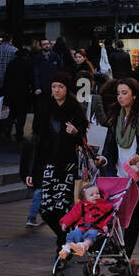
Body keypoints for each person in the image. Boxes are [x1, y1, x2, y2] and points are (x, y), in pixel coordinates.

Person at [101, 78, 139, 265]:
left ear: (135, 95)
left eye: (124, 93)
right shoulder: (116, 117)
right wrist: (104, 159)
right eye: (118, 93)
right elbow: (110, 146)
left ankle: (124, 259)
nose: (120, 97)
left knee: (133, 215)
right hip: (122, 174)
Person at [25, 73, 88, 248]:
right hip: (48, 163)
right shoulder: (44, 106)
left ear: (67, 89)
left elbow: (83, 138)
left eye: (60, 87)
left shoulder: (74, 107)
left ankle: (63, 244)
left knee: (62, 207)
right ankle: (64, 236)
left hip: (68, 165)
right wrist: (31, 170)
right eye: (54, 87)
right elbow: (36, 140)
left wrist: (76, 132)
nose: (57, 90)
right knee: (46, 210)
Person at [57, 182, 115, 259]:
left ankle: (83, 246)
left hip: (96, 228)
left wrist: (105, 225)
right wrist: (65, 222)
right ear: (84, 198)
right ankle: (67, 247)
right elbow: (72, 214)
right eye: (91, 195)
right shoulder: (81, 205)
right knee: (73, 233)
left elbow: (108, 216)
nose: (95, 196)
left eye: (97, 193)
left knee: (91, 234)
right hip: (81, 227)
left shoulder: (104, 205)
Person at [3, 45, 35, 144]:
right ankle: (19, 134)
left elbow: (6, 78)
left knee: (12, 113)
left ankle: (7, 130)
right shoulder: (28, 64)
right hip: (23, 93)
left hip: (11, 93)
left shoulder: (11, 63)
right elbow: (31, 79)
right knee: (21, 115)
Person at [0, 34, 17, 130]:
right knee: (7, 102)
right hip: (9, 80)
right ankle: (5, 120)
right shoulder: (14, 50)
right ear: (10, 40)